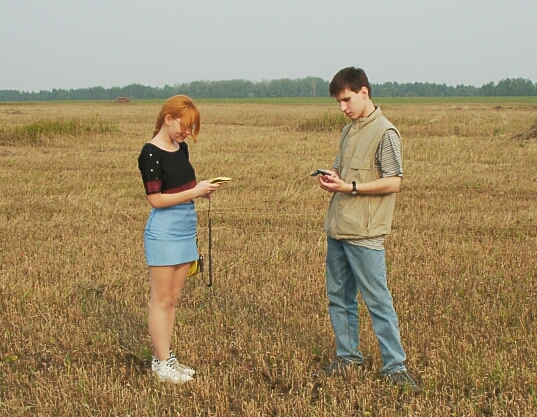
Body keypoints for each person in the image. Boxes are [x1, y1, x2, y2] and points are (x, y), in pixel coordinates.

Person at [314, 67, 421, 393]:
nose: (342, 107)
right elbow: (342, 170)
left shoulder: (386, 132)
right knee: (339, 298)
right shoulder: (349, 131)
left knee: (378, 302)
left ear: (364, 92)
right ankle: (348, 357)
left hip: (366, 232)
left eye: (346, 99)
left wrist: (350, 187)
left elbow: (394, 181)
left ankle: (395, 367)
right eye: (338, 102)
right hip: (339, 227)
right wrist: (332, 177)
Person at [137, 95, 221, 384]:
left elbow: (181, 188)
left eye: (191, 127)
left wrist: (201, 191)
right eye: (184, 126)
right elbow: (156, 200)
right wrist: (195, 192)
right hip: (164, 232)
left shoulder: (181, 148)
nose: (187, 133)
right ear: (167, 118)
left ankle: (167, 357)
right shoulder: (150, 153)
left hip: (186, 228)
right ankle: (161, 364)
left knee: (172, 301)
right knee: (160, 300)